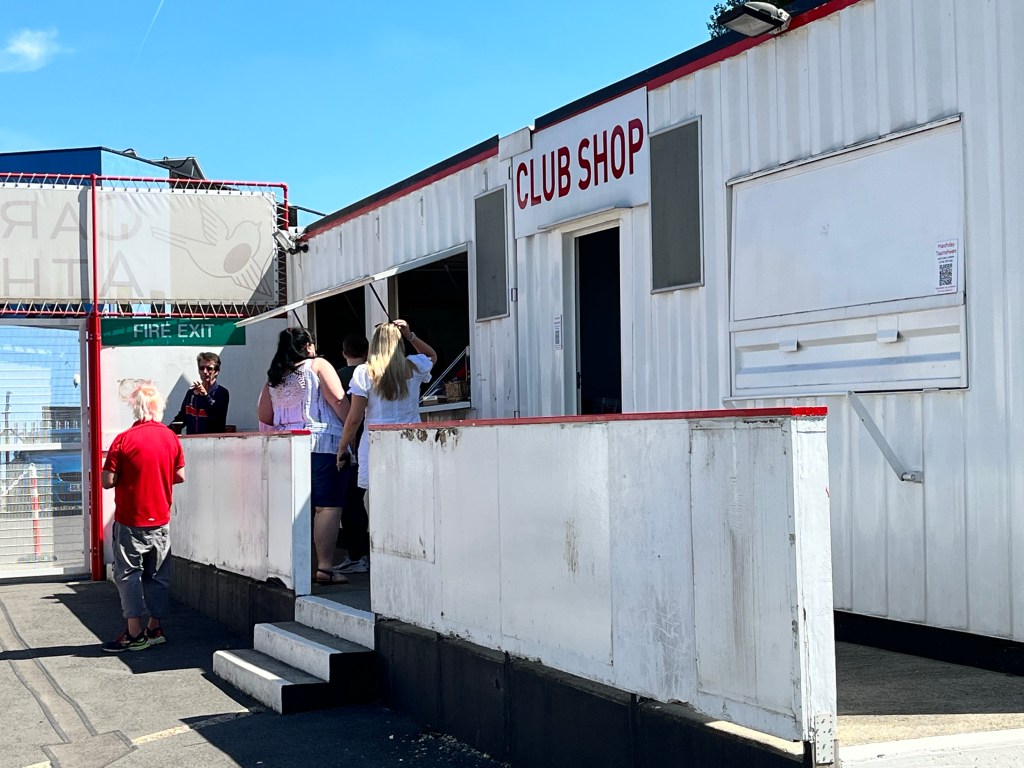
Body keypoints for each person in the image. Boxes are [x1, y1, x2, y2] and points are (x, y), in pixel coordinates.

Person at [257, 327, 352, 585]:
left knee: (296, 508)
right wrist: (352, 429)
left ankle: (295, 567)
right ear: (308, 345)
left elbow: (264, 415)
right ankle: (325, 568)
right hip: (322, 443)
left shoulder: (275, 376)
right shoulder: (318, 365)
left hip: (287, 447)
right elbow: (338, 400)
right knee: (327, 506)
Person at [102, 382, 185, 652]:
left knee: (128, 575)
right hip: (160, 519)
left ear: (135, 409)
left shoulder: (123, 440)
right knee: (158, 575)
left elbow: (107, 481)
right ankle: (154, 627)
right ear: (158, 408)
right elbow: (180, 475)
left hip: (130, 519)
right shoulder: (170, 437)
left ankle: (134, 633)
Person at [337, 319, 436, 494]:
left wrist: (343, 447)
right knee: (410, 493)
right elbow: (431, 356)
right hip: (410, 437)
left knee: (378, 496)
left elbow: (354, 419)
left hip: (376, 440)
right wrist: (410, 336)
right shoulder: (414, 366)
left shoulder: (364, 372)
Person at [334, 334, 370, 574]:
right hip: (370, 442)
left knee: (349, 503)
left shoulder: (338, 377)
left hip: (346, 445)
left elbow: (348, 416)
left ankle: (357, 555)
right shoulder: (375, 373)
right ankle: (364, 553)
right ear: (366, 353)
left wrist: (342, 446)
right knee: (359, 501)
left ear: (344, 352)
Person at [169, 351, 229, 434]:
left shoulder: (221, 393)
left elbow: (216, 419)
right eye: (201, 368)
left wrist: (205, 396)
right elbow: (182, 417)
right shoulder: (192, 393)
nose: (205, 371)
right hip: (193, 440)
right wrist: (166, 431)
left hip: (213, 440)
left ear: (216, 371)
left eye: (209, 368)